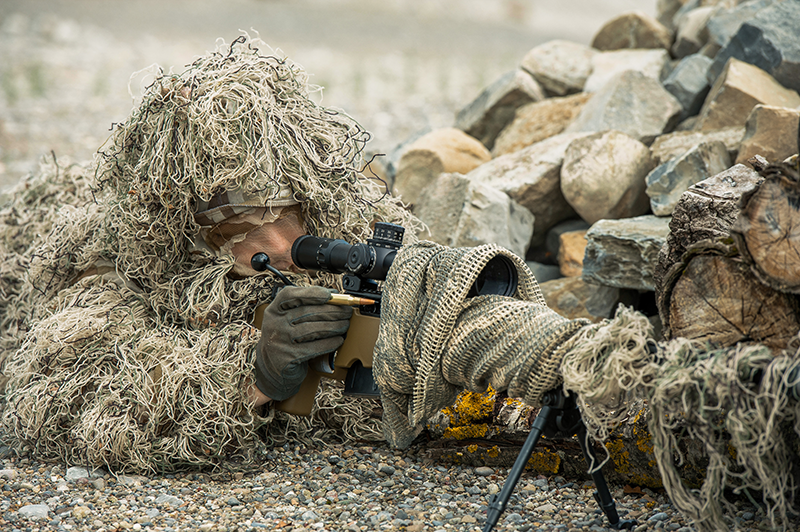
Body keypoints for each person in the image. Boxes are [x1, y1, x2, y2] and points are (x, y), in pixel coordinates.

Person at [1, 35, 421, 473]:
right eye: (239, 229)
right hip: (38, 225)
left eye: (291, 218)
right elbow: (83, 406)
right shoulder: (124, 267)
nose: (282, 249)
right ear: (194, 236)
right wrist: (256, 379)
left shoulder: (350, 227)